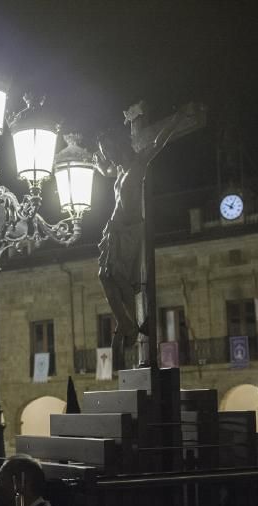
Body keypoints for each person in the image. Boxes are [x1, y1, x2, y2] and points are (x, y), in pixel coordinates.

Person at [97, 102, 186, 366]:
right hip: (114, 231)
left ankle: (128, 326)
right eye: (105, 152)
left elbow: (159, 142)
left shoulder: (137, 165)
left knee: (116, 279)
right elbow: (109, 170)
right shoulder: (119, 172)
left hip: (128, 231)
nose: (108, 156)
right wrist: (99, 168)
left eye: (109, 150)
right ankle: (129, 324)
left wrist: (178, 117)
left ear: (119, 146)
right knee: (109, 277)